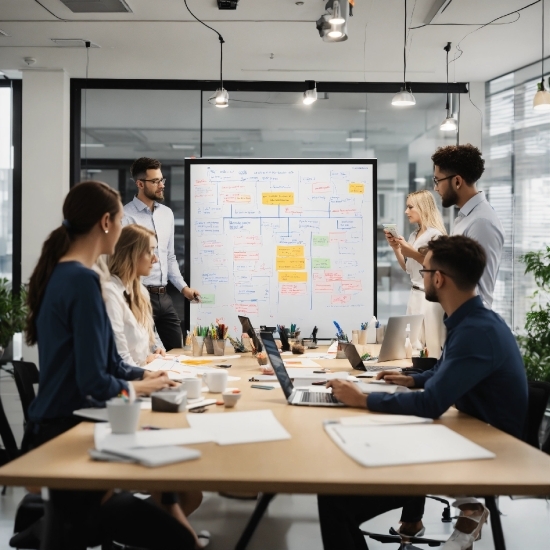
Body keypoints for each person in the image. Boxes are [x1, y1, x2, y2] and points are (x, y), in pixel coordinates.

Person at [318, 235, 528, 550]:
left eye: (425, 271)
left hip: (483, 450)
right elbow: (445, 372)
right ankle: (413, 516)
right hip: (467, 432)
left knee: (334, 501)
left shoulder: (475, 331)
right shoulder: (471, 319)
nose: (422, 277)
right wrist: (412, 380)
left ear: (439, 279)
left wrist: (362, 398)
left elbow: (431, 405)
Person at [23, 181, 202, 550]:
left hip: (54, 424)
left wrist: (144, 375)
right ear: (106, 222)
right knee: (179, 538)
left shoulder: (64, 273)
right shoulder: (84, 281)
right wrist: (139, 387)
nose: (122, 228)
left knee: (167, 477)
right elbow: (93, 379)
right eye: (121, 220)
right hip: (68, 431)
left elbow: (104, 363)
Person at [123, 157, 200, 350]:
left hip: (164, 297)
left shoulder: (167, 214)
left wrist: (184, 289)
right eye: (155, 181)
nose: (161, 185)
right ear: (140, 184)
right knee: (148, 352)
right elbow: (125, 263)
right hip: (138, 295)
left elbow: (169, 257)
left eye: (161, 180)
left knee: (177, 349)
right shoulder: (126, 217)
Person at [431, 144, 504, 309]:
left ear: (457, 181)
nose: (436, 188)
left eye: (437, 180)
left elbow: (480, 292)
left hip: (472, 323)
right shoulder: (466, 217)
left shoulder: (481, 223)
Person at [384, 189, 446, 358]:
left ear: (423, 208)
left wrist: (411, 252)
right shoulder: (413, 235)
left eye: (410, 207)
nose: (406, 212)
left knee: (432, 347)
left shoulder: (436, 236)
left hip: (430, 299)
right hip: (415, 296)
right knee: (413, 345)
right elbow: (409, 269)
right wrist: (397, 249)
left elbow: (436, 269)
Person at [104, 224, 166, 366]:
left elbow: (148, 338)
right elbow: (118, 358)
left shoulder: (141, 292)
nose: (155, 259)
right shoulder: (109, 293)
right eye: (150, 251)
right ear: (132, 253)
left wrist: (155, 349)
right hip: (129, 381)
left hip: (143, 374)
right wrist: (144, 365)